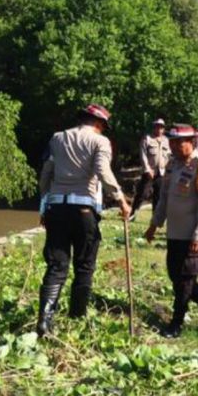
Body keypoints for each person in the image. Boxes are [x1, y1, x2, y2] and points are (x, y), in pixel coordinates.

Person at [36, 104, 131, 335]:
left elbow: (46, 173)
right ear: (99, 124)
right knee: (84, 265)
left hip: (56, 208)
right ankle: (76, 317)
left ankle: (45, 321)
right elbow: (102, 170)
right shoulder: (100, 142)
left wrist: (44, 205)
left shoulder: (57, 138)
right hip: (84, 210)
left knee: (57, 265)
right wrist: (120, 199)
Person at [145, 124, 198, 337]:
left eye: (180, 142)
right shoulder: (172, 165)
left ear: (192, 142)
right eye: (172, 142)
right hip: (174, 233)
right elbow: (164, 198)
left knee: (185, 279)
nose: (175, 146)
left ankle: (176, 324)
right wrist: (154, 224)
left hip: (191, 235)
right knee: (177, 276)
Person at [129, 118, 170, 221]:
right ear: (154, 127)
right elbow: (142, 155)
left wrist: (168, 170)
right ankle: (132, 214)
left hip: (161, 172)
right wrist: (147, 169)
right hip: (149, 172)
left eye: (161, 127)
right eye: (157, 126)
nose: (159, 129)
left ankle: (155, 218)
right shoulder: (147, 139)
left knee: (158, 195)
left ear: (163, 129)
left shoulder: (166, 141)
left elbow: (169, 156)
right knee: (141, 194)